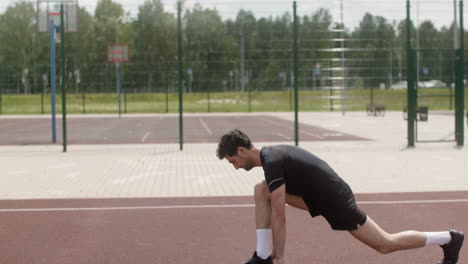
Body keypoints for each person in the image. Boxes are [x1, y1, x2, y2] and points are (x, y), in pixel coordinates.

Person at [216, 129, 464, 264]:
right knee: (262, 190)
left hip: (335, 199)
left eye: (233, 161)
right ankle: (261, 256)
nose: (235, 166)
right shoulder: (270, 159)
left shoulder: (272, 161)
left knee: (385, 244)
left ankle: (448, 238)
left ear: (241, 150)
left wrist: (280, 256)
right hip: (318, 198)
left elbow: (280, 215)